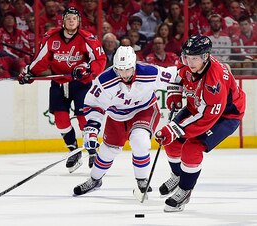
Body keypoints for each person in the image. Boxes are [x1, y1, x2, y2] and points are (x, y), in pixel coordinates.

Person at [155, 35, 246, 212]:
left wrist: (175, 128)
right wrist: (175, 91)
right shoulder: (188, 60)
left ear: (205, 57)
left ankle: (185, 189)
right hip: (198, 105)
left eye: (194, 58)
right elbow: (179, 75)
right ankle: (178, 174)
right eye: (187, 57)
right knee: (172, 142)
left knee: (192, 148)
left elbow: (207, 117)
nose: (189, 62)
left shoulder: (214, 81)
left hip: (225, 116)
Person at [73, 46, 177, 198]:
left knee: (140, 141)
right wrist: (92, 128)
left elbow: (176, 75)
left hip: (145, 110)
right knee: (107, 151)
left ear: (134, 65)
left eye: (128, 69)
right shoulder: (104, 80)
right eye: (120, 70)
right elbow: (93, 104)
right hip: (117, 116)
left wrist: (178, 91)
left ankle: (142, 179)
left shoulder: (149, 72)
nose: (124, 74)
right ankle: (95, 180)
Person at [18, 7, 106, 173]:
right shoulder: (51, 37)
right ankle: (74, 151)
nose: (71, 21)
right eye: (68, 18)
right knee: (60, 120)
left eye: (74, 18)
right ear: (63, 21)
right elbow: (41, 60)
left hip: (81, 84)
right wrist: (29, 73)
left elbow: (100, 60)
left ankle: (93, 151)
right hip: (59, 83)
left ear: (78, 21)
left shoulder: (87, 38)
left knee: (84, 119)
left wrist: (87, 69)